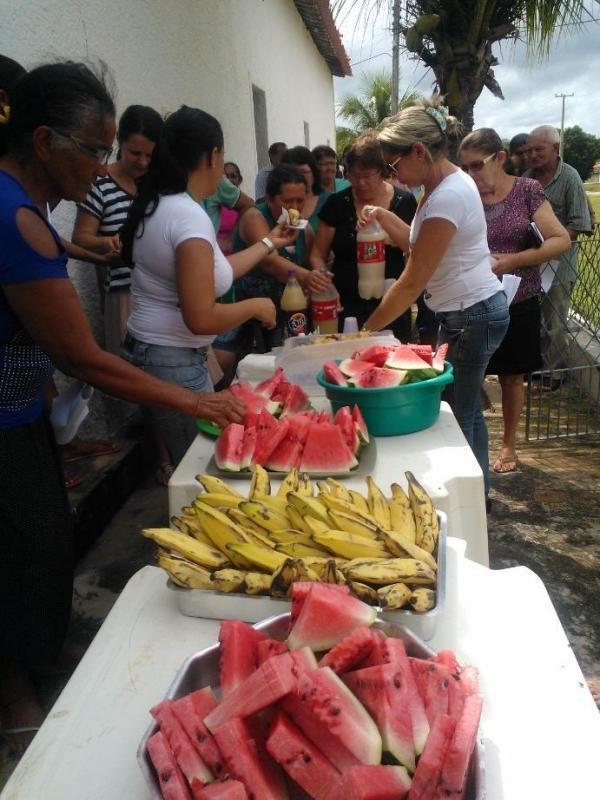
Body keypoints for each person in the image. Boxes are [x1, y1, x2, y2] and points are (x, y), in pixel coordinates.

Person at [0, 61, 244, 755]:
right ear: (44, 141)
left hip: (19, 415)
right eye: (96, 150)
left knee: (36, 549)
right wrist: (191, 397)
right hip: (5, 428)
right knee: (27, 556)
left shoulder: (27, 209)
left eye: (114, 151)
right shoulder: (13, 217)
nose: (106, 169)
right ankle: (17, 698)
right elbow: (84, 356)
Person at [119, 106, 297, 467]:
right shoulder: (188, 216)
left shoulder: (161, 204)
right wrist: (255, 305)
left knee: (197, 468)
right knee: (202, 474)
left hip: (158, 357)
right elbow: (200, 316)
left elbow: (215, 272)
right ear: (213, 155)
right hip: (174, 363)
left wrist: (268, 244)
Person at [359, 98, 510, 503]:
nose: (394, 176)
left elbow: (412, 282)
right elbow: (417, 242)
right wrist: (381, 215)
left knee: (461, 416)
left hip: (472, 312)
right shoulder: (440, 185)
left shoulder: (446, 196)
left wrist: (367, 331)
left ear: (420, 151)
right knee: (467, 409)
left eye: (394, 166)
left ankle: (473, 502)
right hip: (468, 311)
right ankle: (479, 494)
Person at [459, 128, 570, 473]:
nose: (471, 175)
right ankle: (469, 443)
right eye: (465, 168)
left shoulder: (527, 190)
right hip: (471, 301)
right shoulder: (464, 194)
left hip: (517, 297)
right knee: (468, 377)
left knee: (511, 377)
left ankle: (508, 445)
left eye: (477, 166)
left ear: (501, 158)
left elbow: (560, 240)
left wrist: (513, 260)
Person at [73, 104, 163, 354]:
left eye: (150, 155)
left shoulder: (156, 185)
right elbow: (80, 238)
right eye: (135, 153)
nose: (143, 162)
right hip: (125, 296)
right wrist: (108, 242)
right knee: (134, 379)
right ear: (119, 143)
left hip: (163, 294)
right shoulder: (100, 185)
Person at [310, 132, 417, 339]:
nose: (360, 183)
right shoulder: (337, 204)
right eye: (353, 175)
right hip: (345, 301)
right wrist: (325, 282)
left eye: (367, 175)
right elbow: (317, 254)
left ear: (382, 171)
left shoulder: (404, 202)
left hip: (390, 300)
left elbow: (416, 249)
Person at [231, 164, 330, 351]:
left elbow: (314, 263)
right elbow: (271, 262)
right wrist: (307, 277)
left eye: (300, 201)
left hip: (293, 321)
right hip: (255, 322)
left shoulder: (305, 229)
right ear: (269, 199)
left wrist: (321, 275)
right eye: (287, 201)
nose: (294, 208)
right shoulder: (254, 218)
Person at [523, 125, 591, 378]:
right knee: (532, 318)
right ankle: (534, 367)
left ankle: (553, 374)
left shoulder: (570, 177)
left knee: (555, 321)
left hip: (560, 264)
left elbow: (579, 223)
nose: (532, 155)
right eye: (529, 150)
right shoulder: (528, 177)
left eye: (538, 149)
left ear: (555, 148)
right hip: (530, 261)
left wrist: (551, 240)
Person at [281, 145, 330, 231]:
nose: (297, 177)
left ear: (314, 173)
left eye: (303, 172)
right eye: (293, 172)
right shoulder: (276, 204)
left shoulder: (331, 201)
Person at [217, 161, 243, 255]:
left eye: (233, 176)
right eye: (225, 177)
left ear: (240, 180)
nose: (229, 180)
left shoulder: (245, 206)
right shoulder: (213, 202)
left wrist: (229, 239)